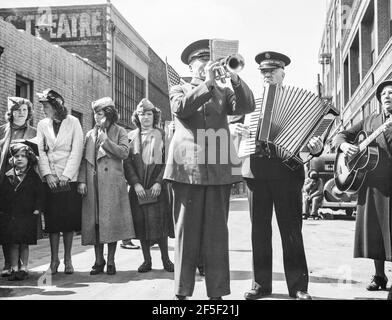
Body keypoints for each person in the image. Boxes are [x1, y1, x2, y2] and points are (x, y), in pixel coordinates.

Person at [164, 39, 255, 300]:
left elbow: (247, 106)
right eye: (201, 63)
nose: (206, 66)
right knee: (186, 234)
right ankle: (181, 292)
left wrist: (235, 77)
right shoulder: (178, 88)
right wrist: (209, 82)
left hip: (218, 170)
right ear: (192, 67)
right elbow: (182, 109)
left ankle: (217, 293)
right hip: (186, 170)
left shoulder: (224, 93)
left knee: (217, 235)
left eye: (209, 62)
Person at [230, 51, 324, 300]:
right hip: (255, 170)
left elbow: (315, 138)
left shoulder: (300, 102)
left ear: (283, 73)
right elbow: (228, 123)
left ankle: (298, 287)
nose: (267, 75)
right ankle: (260, 284)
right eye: (263, 72)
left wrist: (317, 147)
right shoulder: (249, 101)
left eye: (272, 71)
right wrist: (234, 128)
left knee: (291, 230)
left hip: (287, 170)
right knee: (259, 231)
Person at [334, 80, 392, 300]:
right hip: (372, 184)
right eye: (384, 93)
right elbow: (342, 134)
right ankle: (379, 276)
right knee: (376, 232)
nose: (387, 96)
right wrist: (344, 146)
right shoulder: (369, 120)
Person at [78, 97, 135, 276]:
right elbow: (83, 161)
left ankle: (110, 261)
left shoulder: (120, 131)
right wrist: (82, 181)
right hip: (93, 184)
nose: (96, 116)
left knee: (111, 224)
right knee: (95, 224)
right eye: (95, 113)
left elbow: (124, 153)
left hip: (111, 185)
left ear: (109, 114)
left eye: (100, 113)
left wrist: (106, 141)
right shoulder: (89, 134)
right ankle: (98, 261)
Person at [36, 89, 84, 275]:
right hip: (51, 180)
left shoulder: (73, 122)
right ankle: (54, 260)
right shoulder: (42, 124)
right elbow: (40, 151)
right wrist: (48, 175)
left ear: (56, 106)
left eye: (46, 106)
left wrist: (66, 175)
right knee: (53, 222)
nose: (44, 110)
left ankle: (68, 260)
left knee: (68, 222)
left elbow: (77, 150)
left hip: (67, 180)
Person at [123, 98, 174, 273]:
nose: (145, 117)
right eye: (141, 114)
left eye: (149, 114)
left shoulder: (163, 135)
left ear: (154, 115)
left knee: (160, 225)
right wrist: (135, 184)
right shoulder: (130, 137)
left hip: (157, 188)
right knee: (142, 224)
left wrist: (160, 182)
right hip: (138, 190)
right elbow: (127, 164)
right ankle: (147, 260)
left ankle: (166, 259)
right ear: (137, 116)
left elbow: (168, 161)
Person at [0, 97, 37, 277]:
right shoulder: (2, 131)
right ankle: (9, 263)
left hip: (25, 185)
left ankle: (22, 265)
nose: (21, 113)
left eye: (24, 110)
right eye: (17, 110)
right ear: (11, 112)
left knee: (21, 226)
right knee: (6, 223)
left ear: (28, 112)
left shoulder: (34, 132)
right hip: (5, 182)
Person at [0, 141, 44, 280]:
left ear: (29, 158)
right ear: (12, 159)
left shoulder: (34, 177)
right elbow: (3, 195)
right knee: (13, 242)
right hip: (11, 215)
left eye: (23, 156)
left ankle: (23, 268)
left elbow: (39, 194)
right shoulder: (7, 176)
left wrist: (37, 209)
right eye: (16, 156)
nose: (19, 158)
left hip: (27, 214)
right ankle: (13, 268)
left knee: (24, 242)